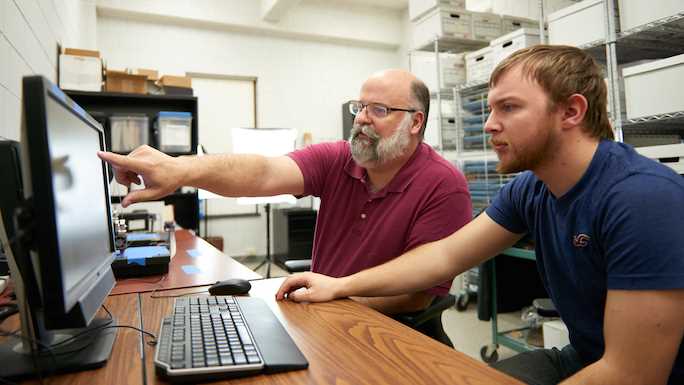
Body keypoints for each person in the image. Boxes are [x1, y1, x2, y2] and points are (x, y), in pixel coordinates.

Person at [275, 45, 684, 385]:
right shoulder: (533, 187)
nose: (489, 125)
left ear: (571, 112)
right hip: (583, 356)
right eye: (490, 110)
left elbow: (632, 374)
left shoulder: (641, 199)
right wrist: (340, 285)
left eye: (508, 108)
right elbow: (444, 256)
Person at [98, 69, 472, 318]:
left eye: (378, 109)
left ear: (415, 122)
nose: (360, 118)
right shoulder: (338, 158)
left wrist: (334, 300)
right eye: (360, 107)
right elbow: (263, 172)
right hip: (326, 313)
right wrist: (181, 169)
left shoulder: (443, 185)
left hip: (395, 333)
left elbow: (417, 294)